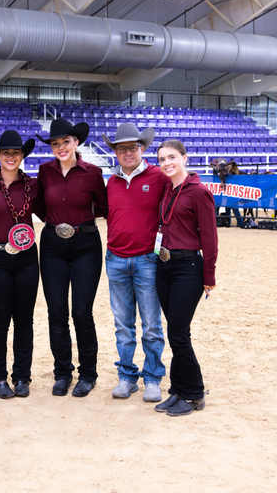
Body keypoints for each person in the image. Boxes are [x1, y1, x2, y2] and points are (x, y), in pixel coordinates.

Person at [34, 119, 107, 397]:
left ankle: (88, 374)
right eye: (55, 143)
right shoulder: (44, 172)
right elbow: (39, 206)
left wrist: (76, 226)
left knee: (81, 312)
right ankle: (62, 373)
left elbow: (103, 206)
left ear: (76, 143)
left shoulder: (93, 172)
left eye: (66, 141)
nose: (61, 147)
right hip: (53, 245)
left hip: (86, 244)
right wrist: (57, 226)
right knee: (56, 313)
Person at [102, 123, 170, 404]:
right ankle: (127, 376)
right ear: (115, 152)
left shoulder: (158, 177)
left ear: (143, 149)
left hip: (147, 260)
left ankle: (152, 378)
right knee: (123, 324)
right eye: (121, 148)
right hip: (115, 258)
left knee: (152, 324)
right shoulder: (111, 181)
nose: (127, 152)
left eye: (132, 147)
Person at [153, 140, 218, 417]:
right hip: (164, 266)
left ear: (184, 158)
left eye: (172, 157)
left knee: (178, 333)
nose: (167, 163)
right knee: (176, 331)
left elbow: (210, 237)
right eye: (162, 159)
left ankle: (194, 393)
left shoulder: (198, 192)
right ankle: (177, 390)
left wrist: (209, 275)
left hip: (188, 267)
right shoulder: (168, 189)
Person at [0, 130, 39, 399]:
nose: (10, 157)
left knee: (24, 320)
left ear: (22, 155)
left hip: (26, 257)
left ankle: (22, 376)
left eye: (15, 152)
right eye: (5, 152)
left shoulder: (33, 185)